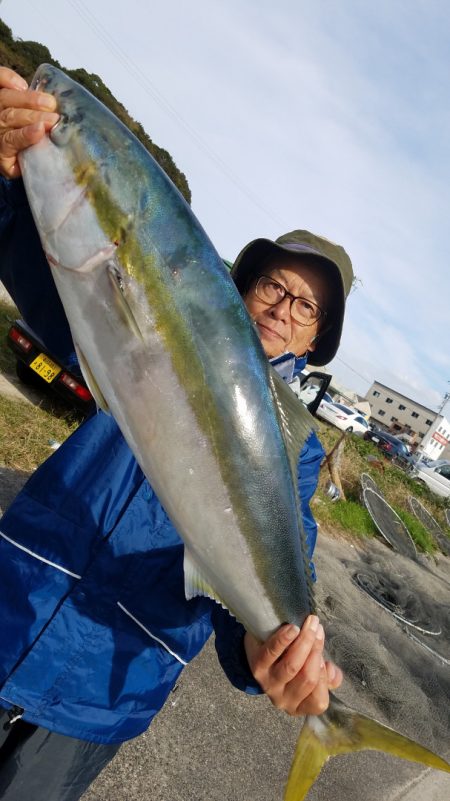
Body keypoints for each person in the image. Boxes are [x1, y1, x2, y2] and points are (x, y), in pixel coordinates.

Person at [0, 67, 352, 800]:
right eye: (274, 286)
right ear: (242, 285)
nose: (285, 308)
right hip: (10, 599)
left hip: (99, 695)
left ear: (316, 343)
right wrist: (12, 179)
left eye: (307, 307)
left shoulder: (297, 449)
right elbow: (53, 279)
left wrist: (273, 653)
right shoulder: (143, 334)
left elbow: (248, 608)